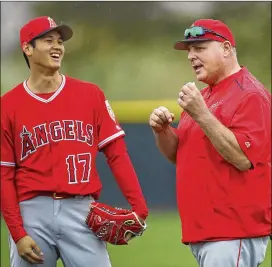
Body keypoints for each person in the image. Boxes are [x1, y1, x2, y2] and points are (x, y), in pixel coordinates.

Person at [1, 16, 148, 267]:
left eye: (60, 41)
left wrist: (139, 208)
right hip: (32, 212)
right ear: (27, 48)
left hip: (81, 210)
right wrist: (18, 232)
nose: (57, 46)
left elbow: (116, 153)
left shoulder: (89, 94)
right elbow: (4, 173)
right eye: (48, 41)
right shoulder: (8, 105)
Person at [149, 19, 271, 267]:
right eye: (189, 50)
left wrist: (201, 114)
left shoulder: (250, 94)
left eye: (200, 47)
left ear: (226, 48)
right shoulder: (203, 96)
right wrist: (162, 131)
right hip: (205, 232)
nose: (191, 56)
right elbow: (178, 156)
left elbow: (243, 158)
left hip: (233, 231)